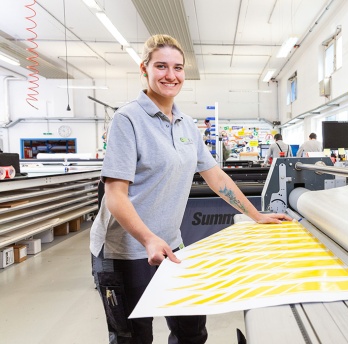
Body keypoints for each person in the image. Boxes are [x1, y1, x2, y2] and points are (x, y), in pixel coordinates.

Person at [90, 34, 291, 344]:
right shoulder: (126, 120)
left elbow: (216, 177)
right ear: (144, 68)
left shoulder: (186, 124)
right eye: (161, 66)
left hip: (172, 244)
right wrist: (148, 239)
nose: (171, 75)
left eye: (178, 67)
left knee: (192, 330)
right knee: (134, 337)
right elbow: (115, 196)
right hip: (126, 250)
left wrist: (256, 215)